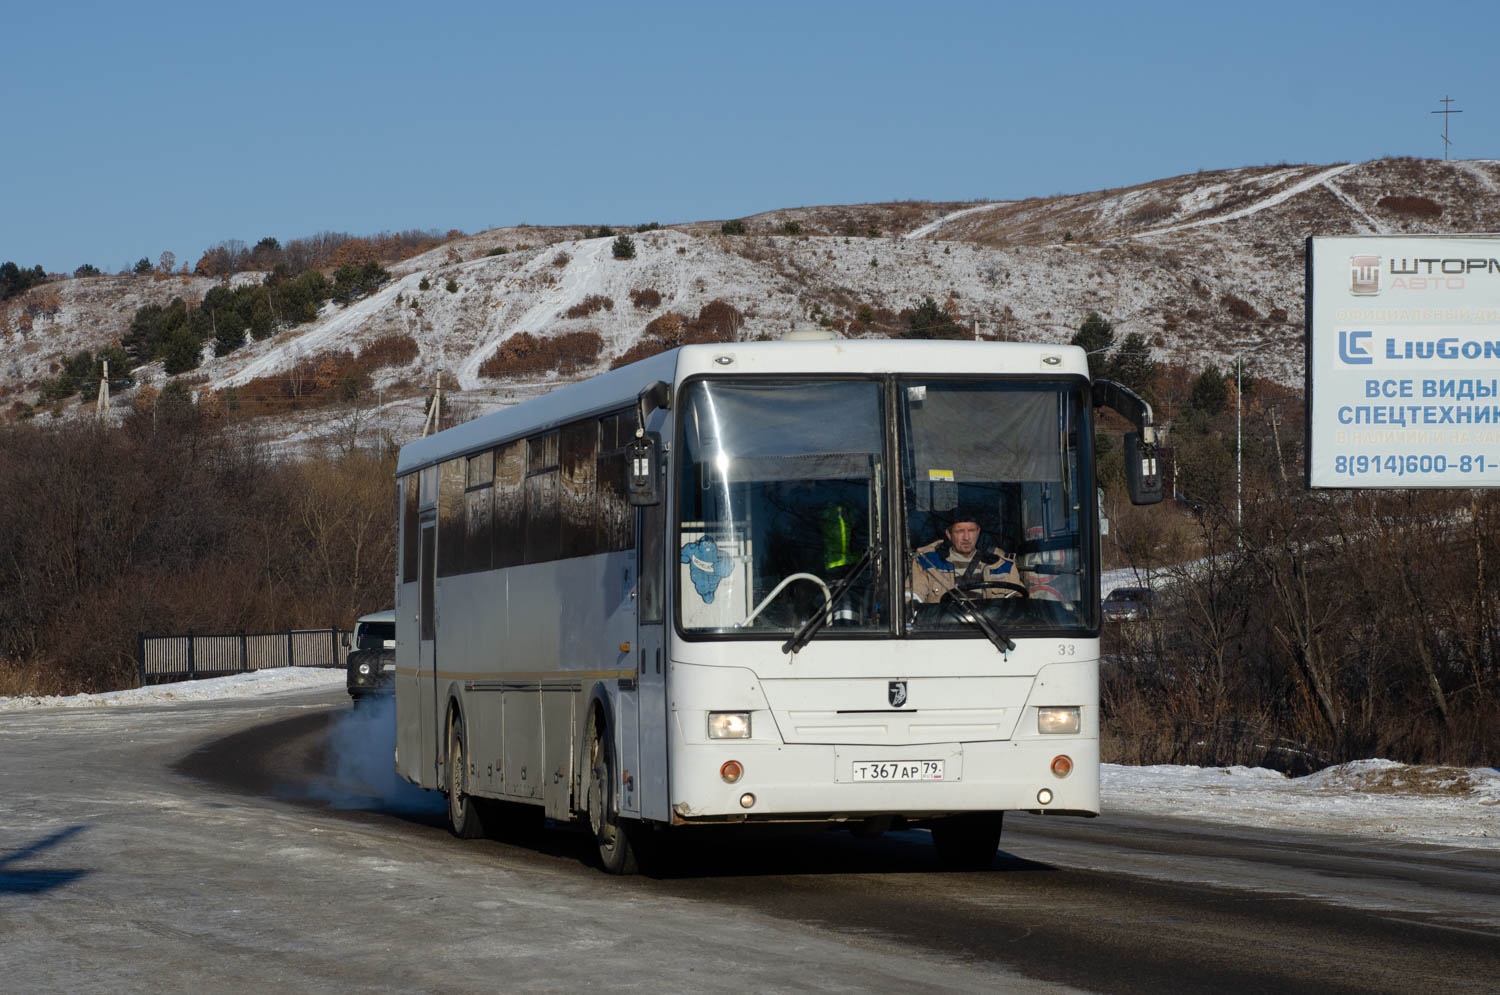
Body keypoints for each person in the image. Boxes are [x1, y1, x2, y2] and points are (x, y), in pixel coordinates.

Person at [909, 510, 1019, 603]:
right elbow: (913, 599)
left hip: (991, 628)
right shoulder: (927, 562)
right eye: (960, 531)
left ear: (978, 532)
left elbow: (1019, 605)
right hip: (944, 627)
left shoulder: (1001, 564)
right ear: (949, 534)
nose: (966, 537)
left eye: (971, 531)